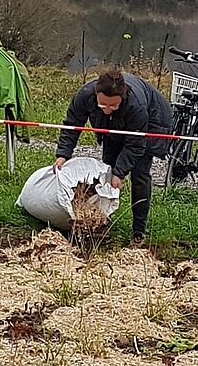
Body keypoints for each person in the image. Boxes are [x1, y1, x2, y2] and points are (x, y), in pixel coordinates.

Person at [53, 65, 175, 243]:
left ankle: (138, 230)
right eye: (103, 104)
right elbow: (72, 125)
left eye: (113, 105)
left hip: (151, 122)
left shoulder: (136, 105)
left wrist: (120, 172)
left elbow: (136, 145)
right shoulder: (84, 95)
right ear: (96, 95)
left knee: (140, 174)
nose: (108, 109)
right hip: (112, 126)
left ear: (122, 98)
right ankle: (101, 221)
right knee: (106, 170)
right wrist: (63, 153)